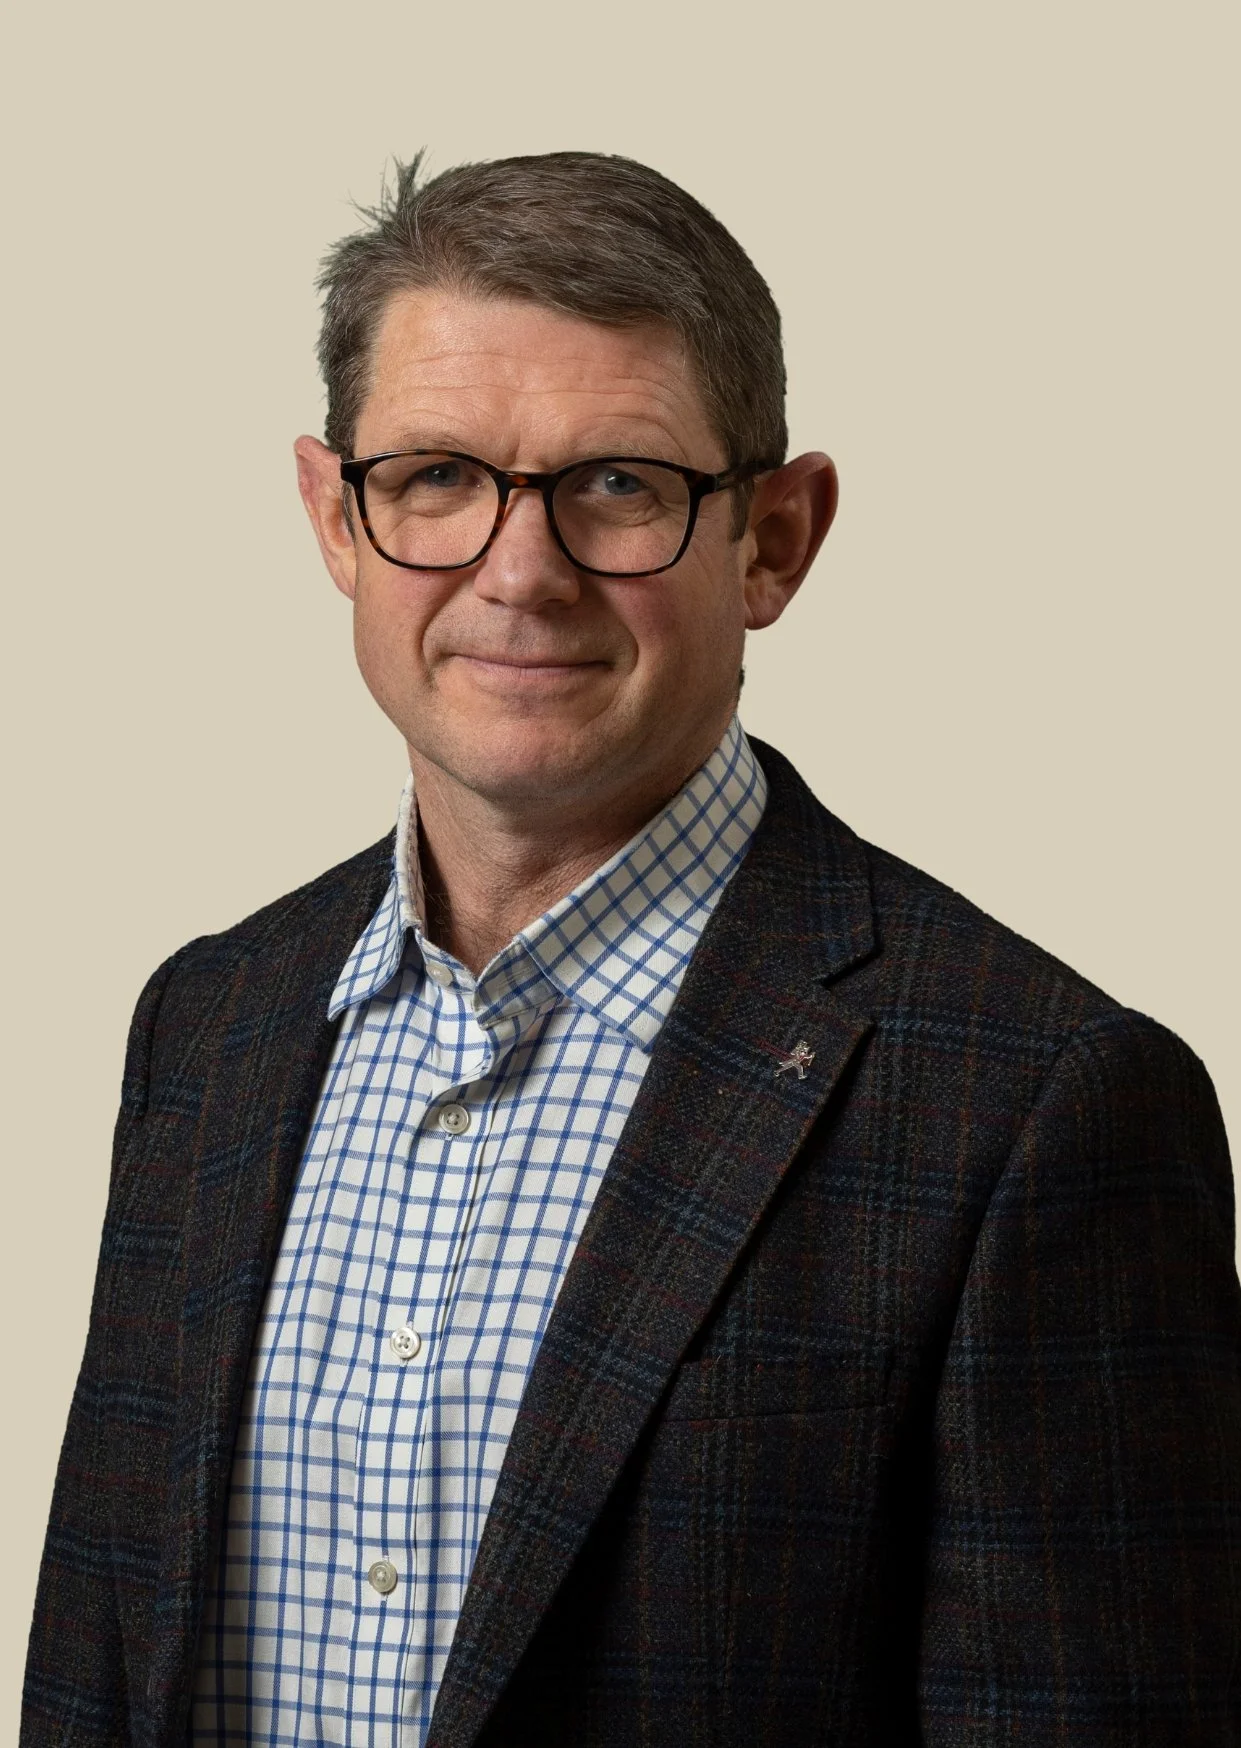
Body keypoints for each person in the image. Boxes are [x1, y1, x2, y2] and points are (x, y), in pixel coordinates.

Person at [22, 150, 1241, 1748]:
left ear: (775, 540)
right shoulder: (211, 1026)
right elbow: (99, 1682)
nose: (517, 573)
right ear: (337, 517)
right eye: (438, 475)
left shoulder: (1039, 1107)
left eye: (618, 485)